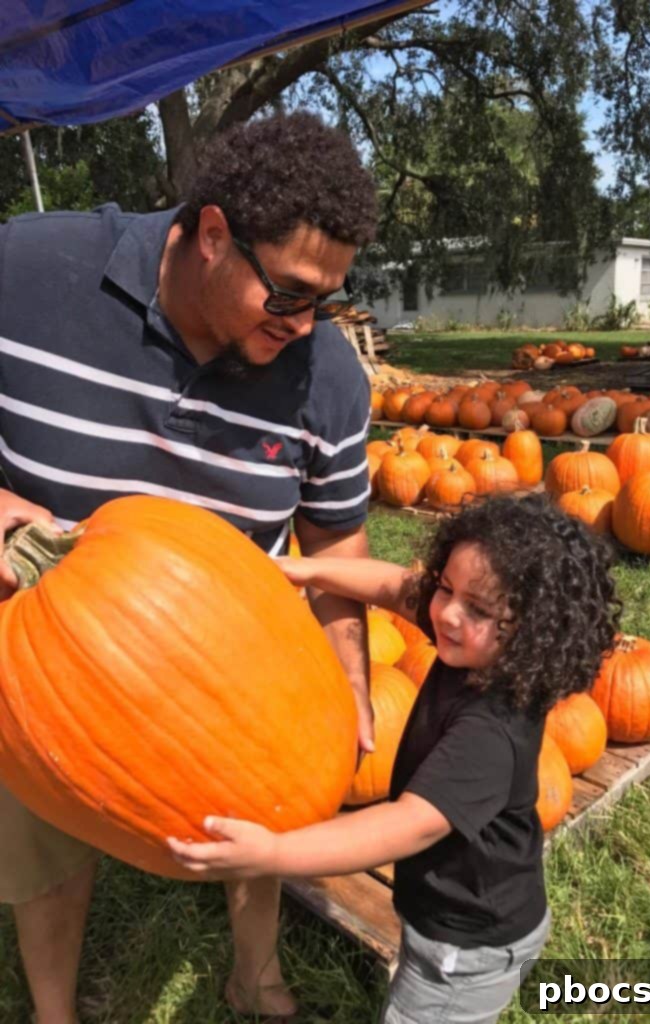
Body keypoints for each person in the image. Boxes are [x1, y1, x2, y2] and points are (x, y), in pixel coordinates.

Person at [0, 111, 378, 1024]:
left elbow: (334, 542)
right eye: (288, 294)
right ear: (213, 236)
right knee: (43, 834)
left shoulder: (326, 375)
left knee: (274, 797)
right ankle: (56, 1012)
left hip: (233, 646)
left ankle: (256, 977)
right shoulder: (28, 270)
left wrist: (349, 676)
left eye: (327, 297)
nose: (308, 323)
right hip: (45, 636)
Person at [168, 495, 622, 1024]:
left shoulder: (491, 732)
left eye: (477, 608)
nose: (447, 611)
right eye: (447, 588)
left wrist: (272, 853)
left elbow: (403, 826)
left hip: (468, 944)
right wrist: (303, 568)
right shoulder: (478, 646)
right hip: (451, 915)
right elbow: (394, 586)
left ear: (530, 631)